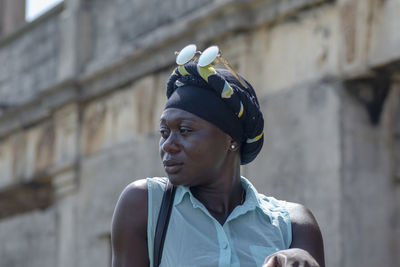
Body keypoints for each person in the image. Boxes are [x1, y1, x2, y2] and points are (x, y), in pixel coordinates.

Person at [111, 45, 325, 267]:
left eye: (184, 130)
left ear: (231, 140)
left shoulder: (292, 224)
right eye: (164, 132)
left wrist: (299, 257)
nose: (168, 145)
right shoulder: (145, 205)